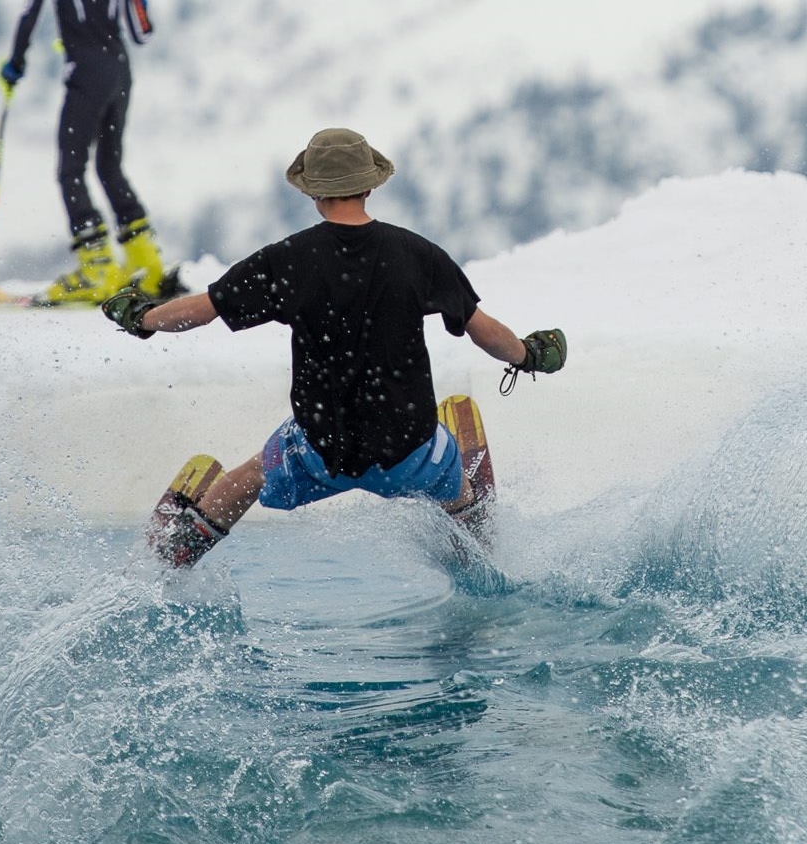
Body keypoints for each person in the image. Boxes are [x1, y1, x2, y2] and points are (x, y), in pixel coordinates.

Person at [102, 127, 568, 567]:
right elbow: (482, 330)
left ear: (312, 192)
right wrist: (527, 356)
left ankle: (186, 543)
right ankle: (476, 545)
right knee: (457, 488)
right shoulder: (418, 255)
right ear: (370, 187)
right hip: (407, 447)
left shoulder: (287, 259)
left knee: (249, 476)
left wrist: (142, 318)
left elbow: (203, 309)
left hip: (321, 448)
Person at [0, 0, 172, 305]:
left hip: (84, 73)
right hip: (120, 70)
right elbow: (142, 33)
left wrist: (15, 65)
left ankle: (97, 267)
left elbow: (28, 16)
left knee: (70, 168)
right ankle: (146, 265)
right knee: (110, 166)